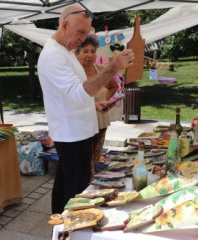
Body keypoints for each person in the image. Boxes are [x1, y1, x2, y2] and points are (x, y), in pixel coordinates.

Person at [37, 4, 134, 214]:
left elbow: (72, 95)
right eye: (80, 32)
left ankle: (60, 225)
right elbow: (78, 92)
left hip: (75, 131)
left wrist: (92, 106)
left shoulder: (65, 51)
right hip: (72, 134)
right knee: (76, 189)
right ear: (64, 24)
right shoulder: (54, 55)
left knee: (65, 182)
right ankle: (72, 229)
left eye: (87, 33)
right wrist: (112, 68)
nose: (83, 39)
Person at [75, 34, 119, 175]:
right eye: (85, 51)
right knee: (81, 162)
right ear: (77, 53)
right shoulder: (72, 73)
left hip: (100, 122)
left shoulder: (100, 70)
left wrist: (107, 100)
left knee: (94, 161)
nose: (89, 55)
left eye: (93, 51)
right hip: (80, 124)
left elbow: (114, 86)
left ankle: (90, 186)